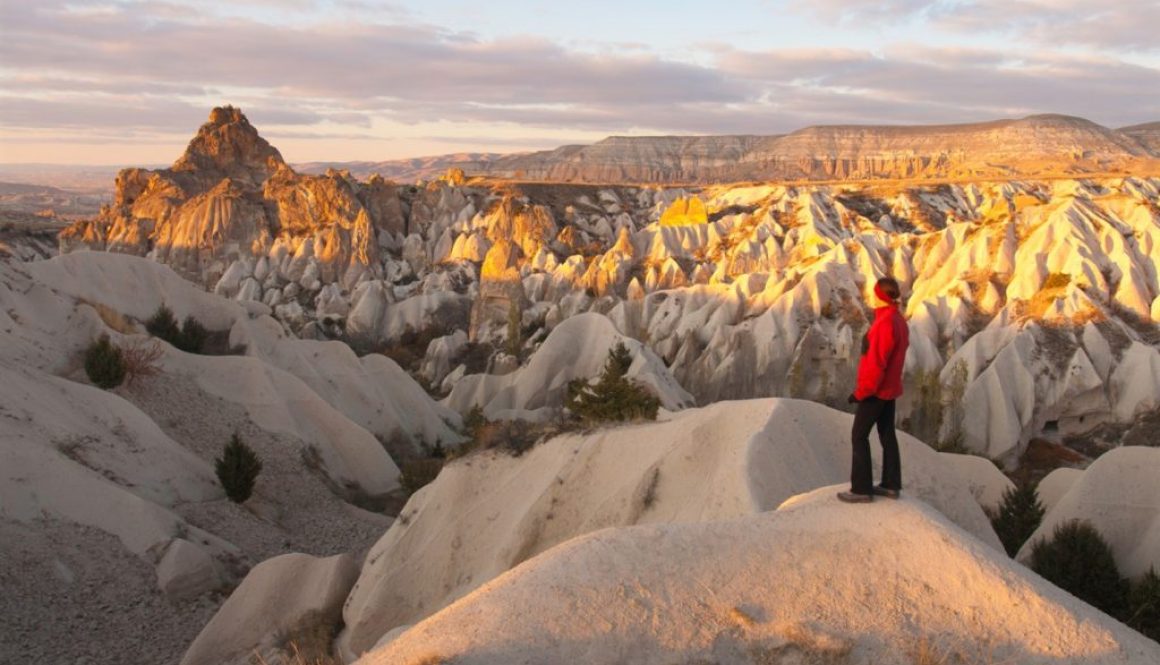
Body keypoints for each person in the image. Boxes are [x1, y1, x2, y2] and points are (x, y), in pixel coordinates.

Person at [838, 277, 909, 504]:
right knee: (887, 434)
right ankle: (891, 484)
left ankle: (861, 489)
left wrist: (862, 392)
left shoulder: (885, 324)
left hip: (876, 390)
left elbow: (876, 363)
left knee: (859, 436)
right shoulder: (898, 320)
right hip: (889, 388)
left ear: (880, 295)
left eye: (874, 292)